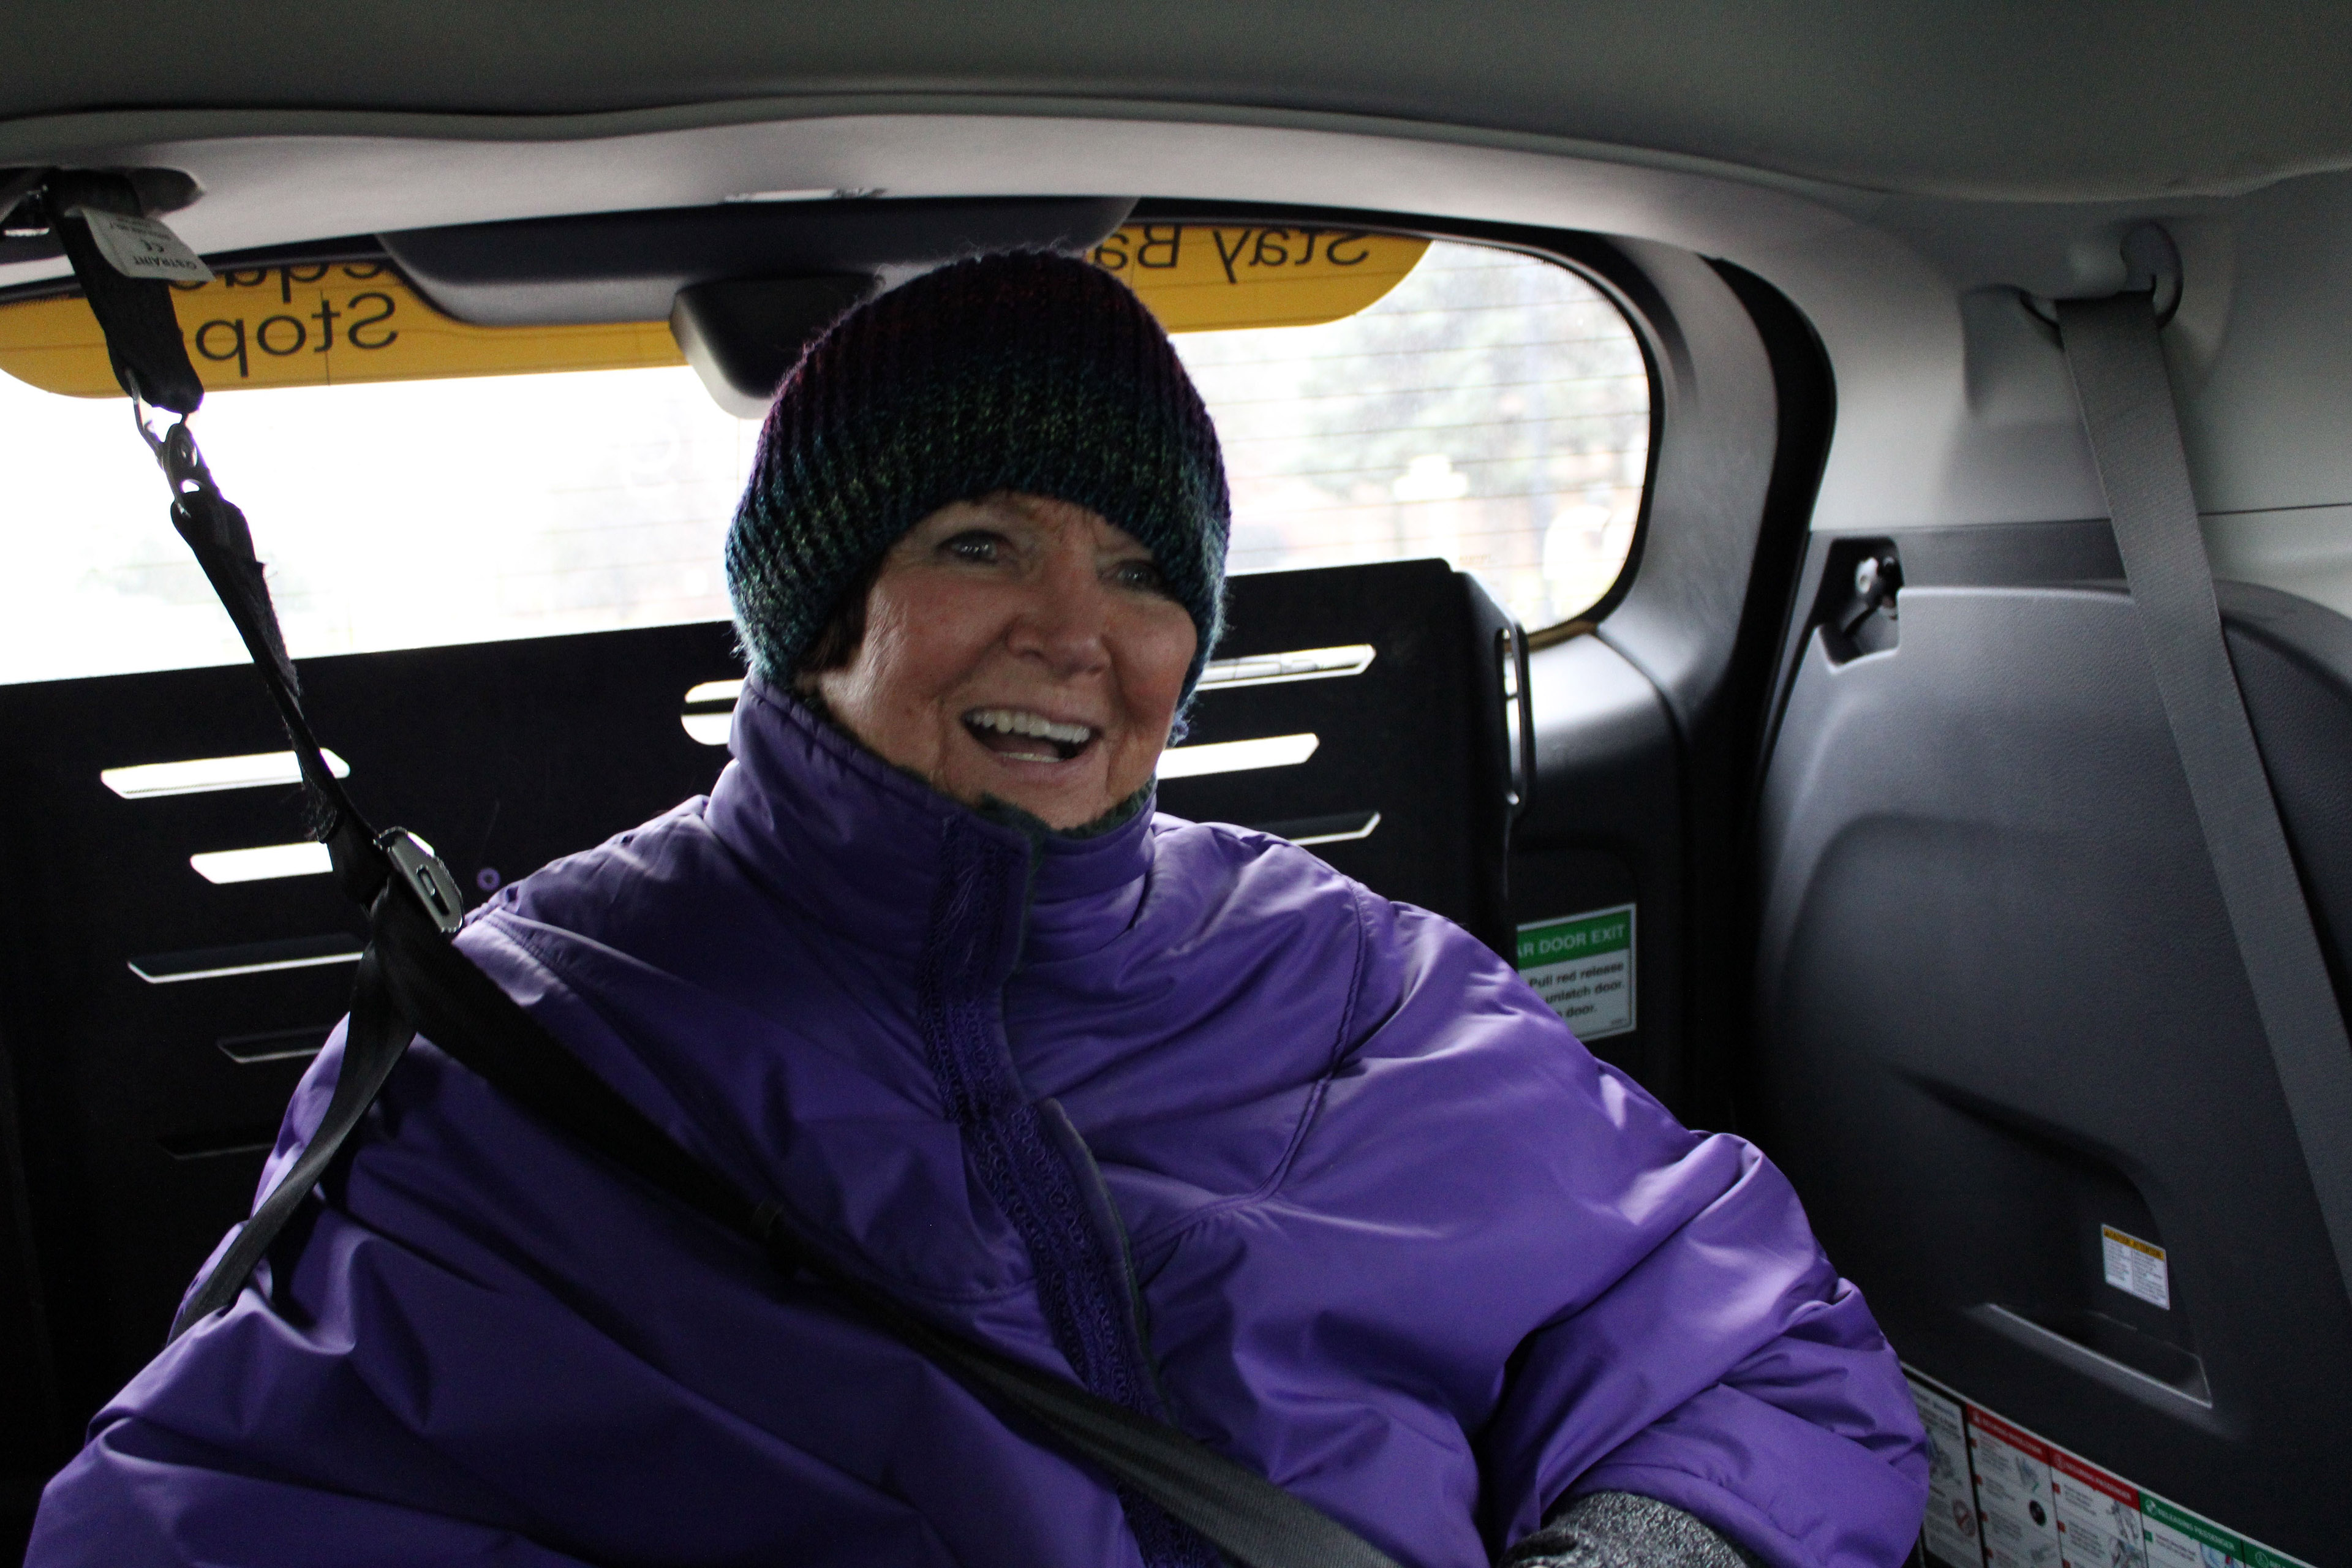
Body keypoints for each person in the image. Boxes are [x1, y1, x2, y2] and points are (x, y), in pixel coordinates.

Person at [27, 251, 1926, 1568]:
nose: (1076, 634)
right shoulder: (525, 1048)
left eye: (1136, 568)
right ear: (822, 608)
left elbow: (1755, 1347)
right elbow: (215, 1512)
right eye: (979, 543)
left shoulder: (1361, 981)